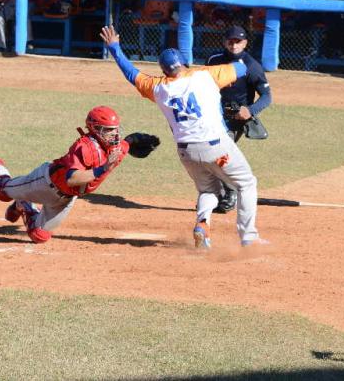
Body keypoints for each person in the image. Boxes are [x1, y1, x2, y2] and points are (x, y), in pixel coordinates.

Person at [100, 25, 263, 249]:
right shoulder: (206, 75)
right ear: (185, 63)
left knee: (207, 190)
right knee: (246, 184)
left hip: (187, 152)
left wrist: (115, 48)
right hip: (217, 146)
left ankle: (203, 225)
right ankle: (248, 237)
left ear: (164, 70)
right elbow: (242, 68)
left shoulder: (158, 87)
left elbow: (132, 74)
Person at [0, 107, 132, 244]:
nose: (115, 135)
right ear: (94, 129)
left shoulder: (115, 149)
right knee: (2, 191)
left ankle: (24, 205)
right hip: (46, 183)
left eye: (116, 130)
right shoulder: (84, 147)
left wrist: (141, 141)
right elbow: (72, 179)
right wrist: (104, 167)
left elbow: (129, 143)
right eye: (108, 130)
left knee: (39, 236)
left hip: (67, 199)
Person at [206, 25, 272, 213]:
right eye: (230, 40)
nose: (234, 44)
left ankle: (230, 191)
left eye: (238, 41)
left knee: (218, 154)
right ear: (224, 41)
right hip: (212, 116)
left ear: (245, 43)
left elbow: (267, 96)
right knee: (206, 154)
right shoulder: (214, 60)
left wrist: (250, 111)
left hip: (234, 119)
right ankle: (217, 194)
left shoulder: (252, 66)